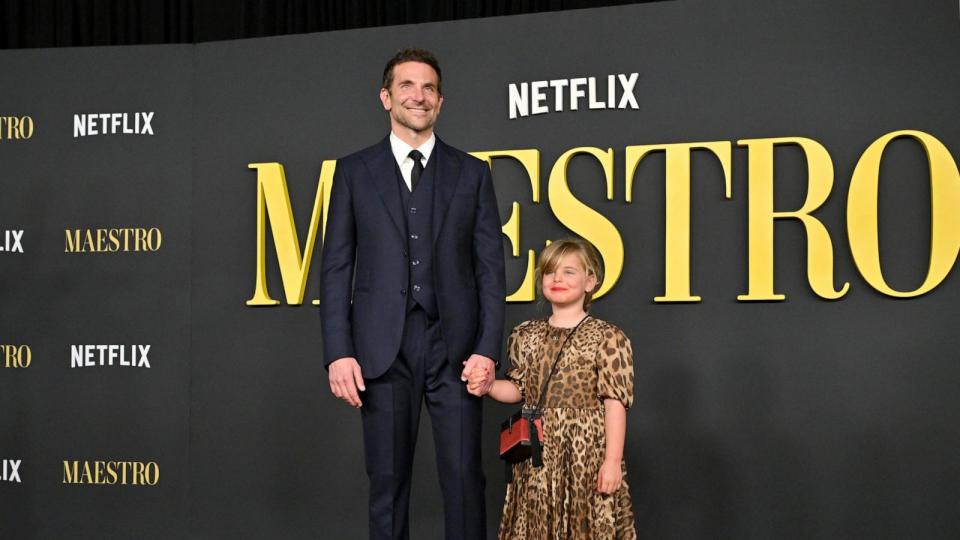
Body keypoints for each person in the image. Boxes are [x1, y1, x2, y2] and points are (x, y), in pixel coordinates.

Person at [319, 48, 505, 540]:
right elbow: (336, 267)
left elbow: (490, 272)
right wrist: (339, 353)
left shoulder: (472, 173)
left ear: (440, 102)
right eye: (407, 86)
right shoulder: (353, 172)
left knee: (466, 481)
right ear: (386, 97)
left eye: (428, 89)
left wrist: (487, 349)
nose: (418, 97)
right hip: (382, 351)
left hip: (458, 350)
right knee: (387, 483)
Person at [469, 238, 637, 539]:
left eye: (569, 272)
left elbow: (615, 404)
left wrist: (611, 462)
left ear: (590, 281)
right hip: (538, 457)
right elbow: (519, 391)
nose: (557, 278)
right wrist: (491, 385)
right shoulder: (525, 335)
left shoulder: (608, 337)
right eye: (550, 272)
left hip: (586, 457)